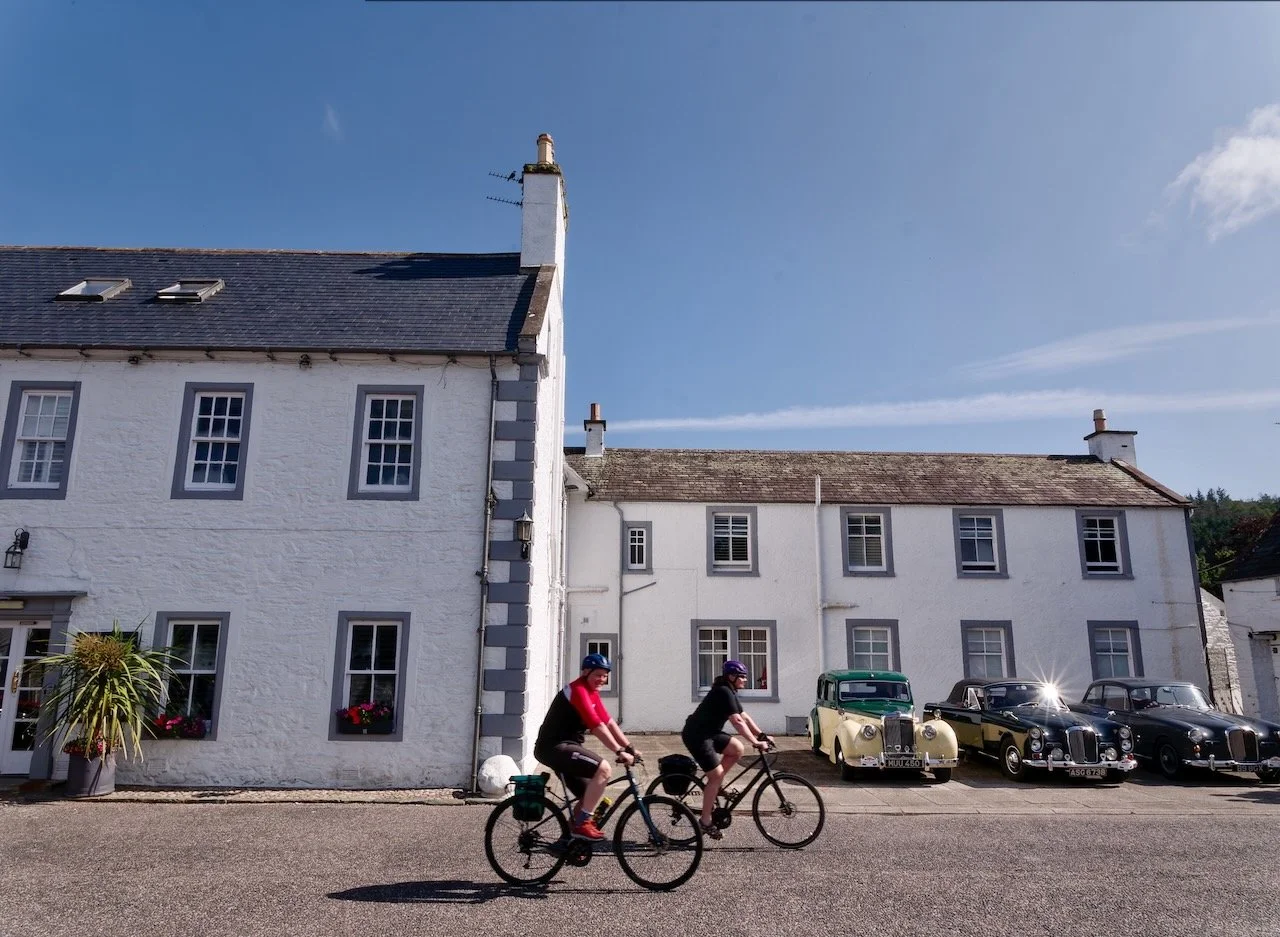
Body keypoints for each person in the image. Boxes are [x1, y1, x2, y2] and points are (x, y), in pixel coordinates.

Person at [533, 653, 636, 841]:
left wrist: (629, 747)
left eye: (605, 675)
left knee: (589, 795)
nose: (602, 680)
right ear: (586, 672)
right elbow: (597, 726)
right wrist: (618, 751)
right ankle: (581, 824)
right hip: (555, 747)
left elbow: (609, 722)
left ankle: (568, 841)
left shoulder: (591, 693)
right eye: (599, 675)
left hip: (566, 747)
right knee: (604, 769)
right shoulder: (578, 690)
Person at [681, 658, 770, 840]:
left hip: (710, 733)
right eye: (742, 677)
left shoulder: (729, 691)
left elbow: (744, 717)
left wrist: (762, 736)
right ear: (731, 676)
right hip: (697, 735)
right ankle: (705, 822)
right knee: (716, 774)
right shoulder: (723, 691)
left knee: (736, 748)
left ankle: (716, 786)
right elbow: (737, 722)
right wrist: (755, 742)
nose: (745, 680)